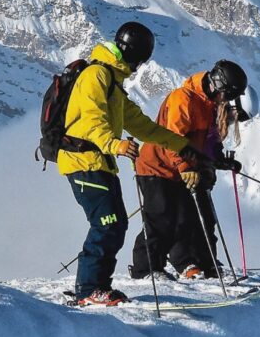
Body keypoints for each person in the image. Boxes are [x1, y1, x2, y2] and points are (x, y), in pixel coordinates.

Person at [59, 22, 192, 306]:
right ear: (133, 55)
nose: (139, 66)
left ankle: (96, 287)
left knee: (115, 223)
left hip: (99, 162)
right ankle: (88, 290)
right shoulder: (96, 75)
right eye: (140, 60)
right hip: (83, 160)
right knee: (107, 223)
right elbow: (92, 122)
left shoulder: (112, 82)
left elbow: (141, 125)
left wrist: (181, 145)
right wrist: (115, 145)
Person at [130, 60, 247, 280]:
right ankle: (145, 269)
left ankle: (187, 263)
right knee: (161, 218)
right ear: (216, 84)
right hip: (156, 167)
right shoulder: (183, 99)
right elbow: (172, 138)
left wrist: (220, 160)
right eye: (225, 94)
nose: (225, 100)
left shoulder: (209, 103)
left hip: (181, 170)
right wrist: (184, 167)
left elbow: (207, 141)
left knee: (186, 218)